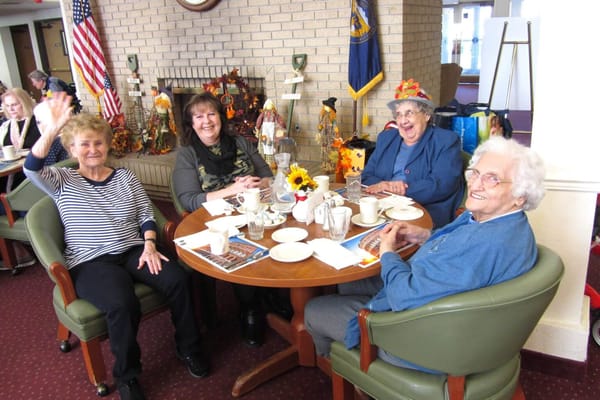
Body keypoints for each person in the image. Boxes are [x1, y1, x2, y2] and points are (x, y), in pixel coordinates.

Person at [305, 136, 546, 372]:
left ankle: (337, 369)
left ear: (519, 197)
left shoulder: (486, 243)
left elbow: (404, 295)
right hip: (442, 311)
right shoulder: (500, 222)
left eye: (492, 179)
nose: (476, 184)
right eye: (475, 173)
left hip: (424, 340)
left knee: (314, 310)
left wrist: (389, 253)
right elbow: (455, 253)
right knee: (350, 278)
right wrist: (423, 236)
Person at [24, 92, 208, 400]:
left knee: (177, 278)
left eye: (98, 143)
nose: (93, 149)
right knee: (121, 303)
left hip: (134, 249)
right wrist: (50, 130)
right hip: (91, 261)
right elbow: (31, 167)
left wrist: (150, 245)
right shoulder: (60, 180)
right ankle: (127, 375)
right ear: (72, 148)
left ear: (108, 145)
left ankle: (189, 347)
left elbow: (145, 213)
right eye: (84, 144)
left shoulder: (125, 176)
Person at [172, 92, 290, 347]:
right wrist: (231, 191)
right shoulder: (187, 154)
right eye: (199, 116)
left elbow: (268, 176)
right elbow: (189, 200)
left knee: (283, 232)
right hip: (214, 221)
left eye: (211, 114)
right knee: (244, 246)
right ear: (191, 124)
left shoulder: (240, 142)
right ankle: (250, 308)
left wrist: (253, 183)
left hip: (254, 208)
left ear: (220, 118)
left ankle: (275, 293)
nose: (207, 121)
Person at [361, 79, 464, 228]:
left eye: (409, 113)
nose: (403, 121)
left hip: (425, 212)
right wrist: (385, 186)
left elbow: (442, 185)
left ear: (427, 115)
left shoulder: (446, 141)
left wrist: (400, 188)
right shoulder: (386, 138)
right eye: (399, 115)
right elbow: (367, 176)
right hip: (382, 208)